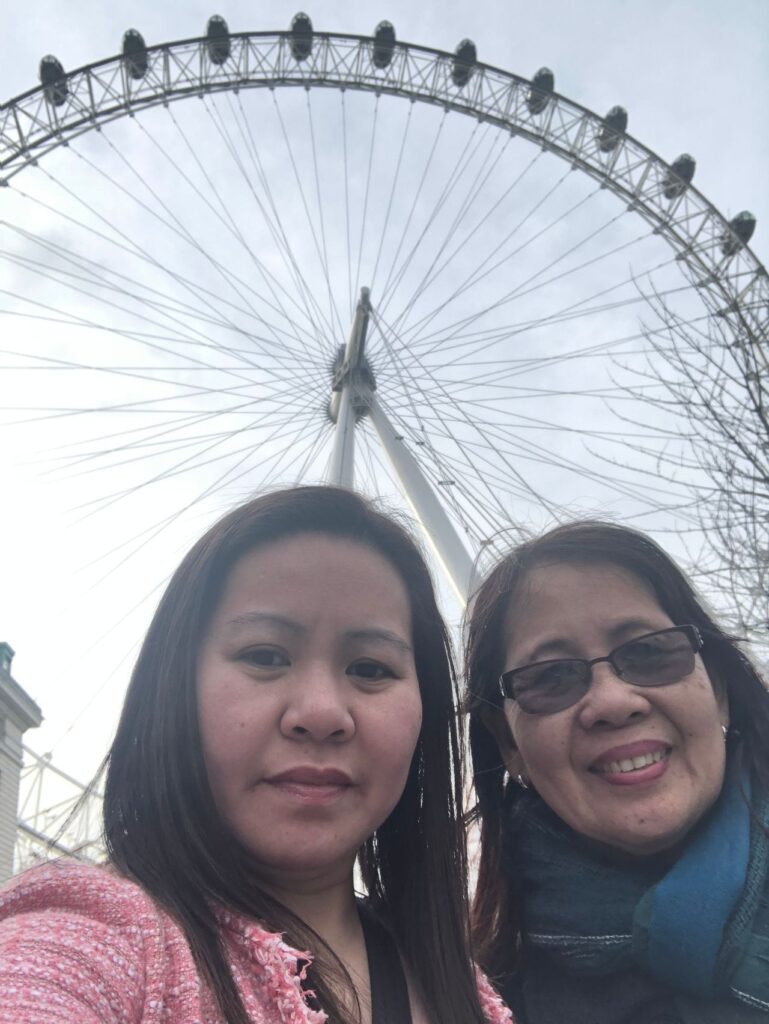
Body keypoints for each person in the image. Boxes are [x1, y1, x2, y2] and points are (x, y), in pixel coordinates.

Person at [0, 486, 511, 1024]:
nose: (320, 713)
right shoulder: (101, 935)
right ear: (175, 689)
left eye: (370, 669)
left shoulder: (462, 987)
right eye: (265, 656)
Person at [465, 519, 769, 1024]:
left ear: (717, 689)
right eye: (551, 677)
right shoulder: (472, 1002)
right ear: (508, 744)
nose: (611, 702)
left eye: (649, 651)